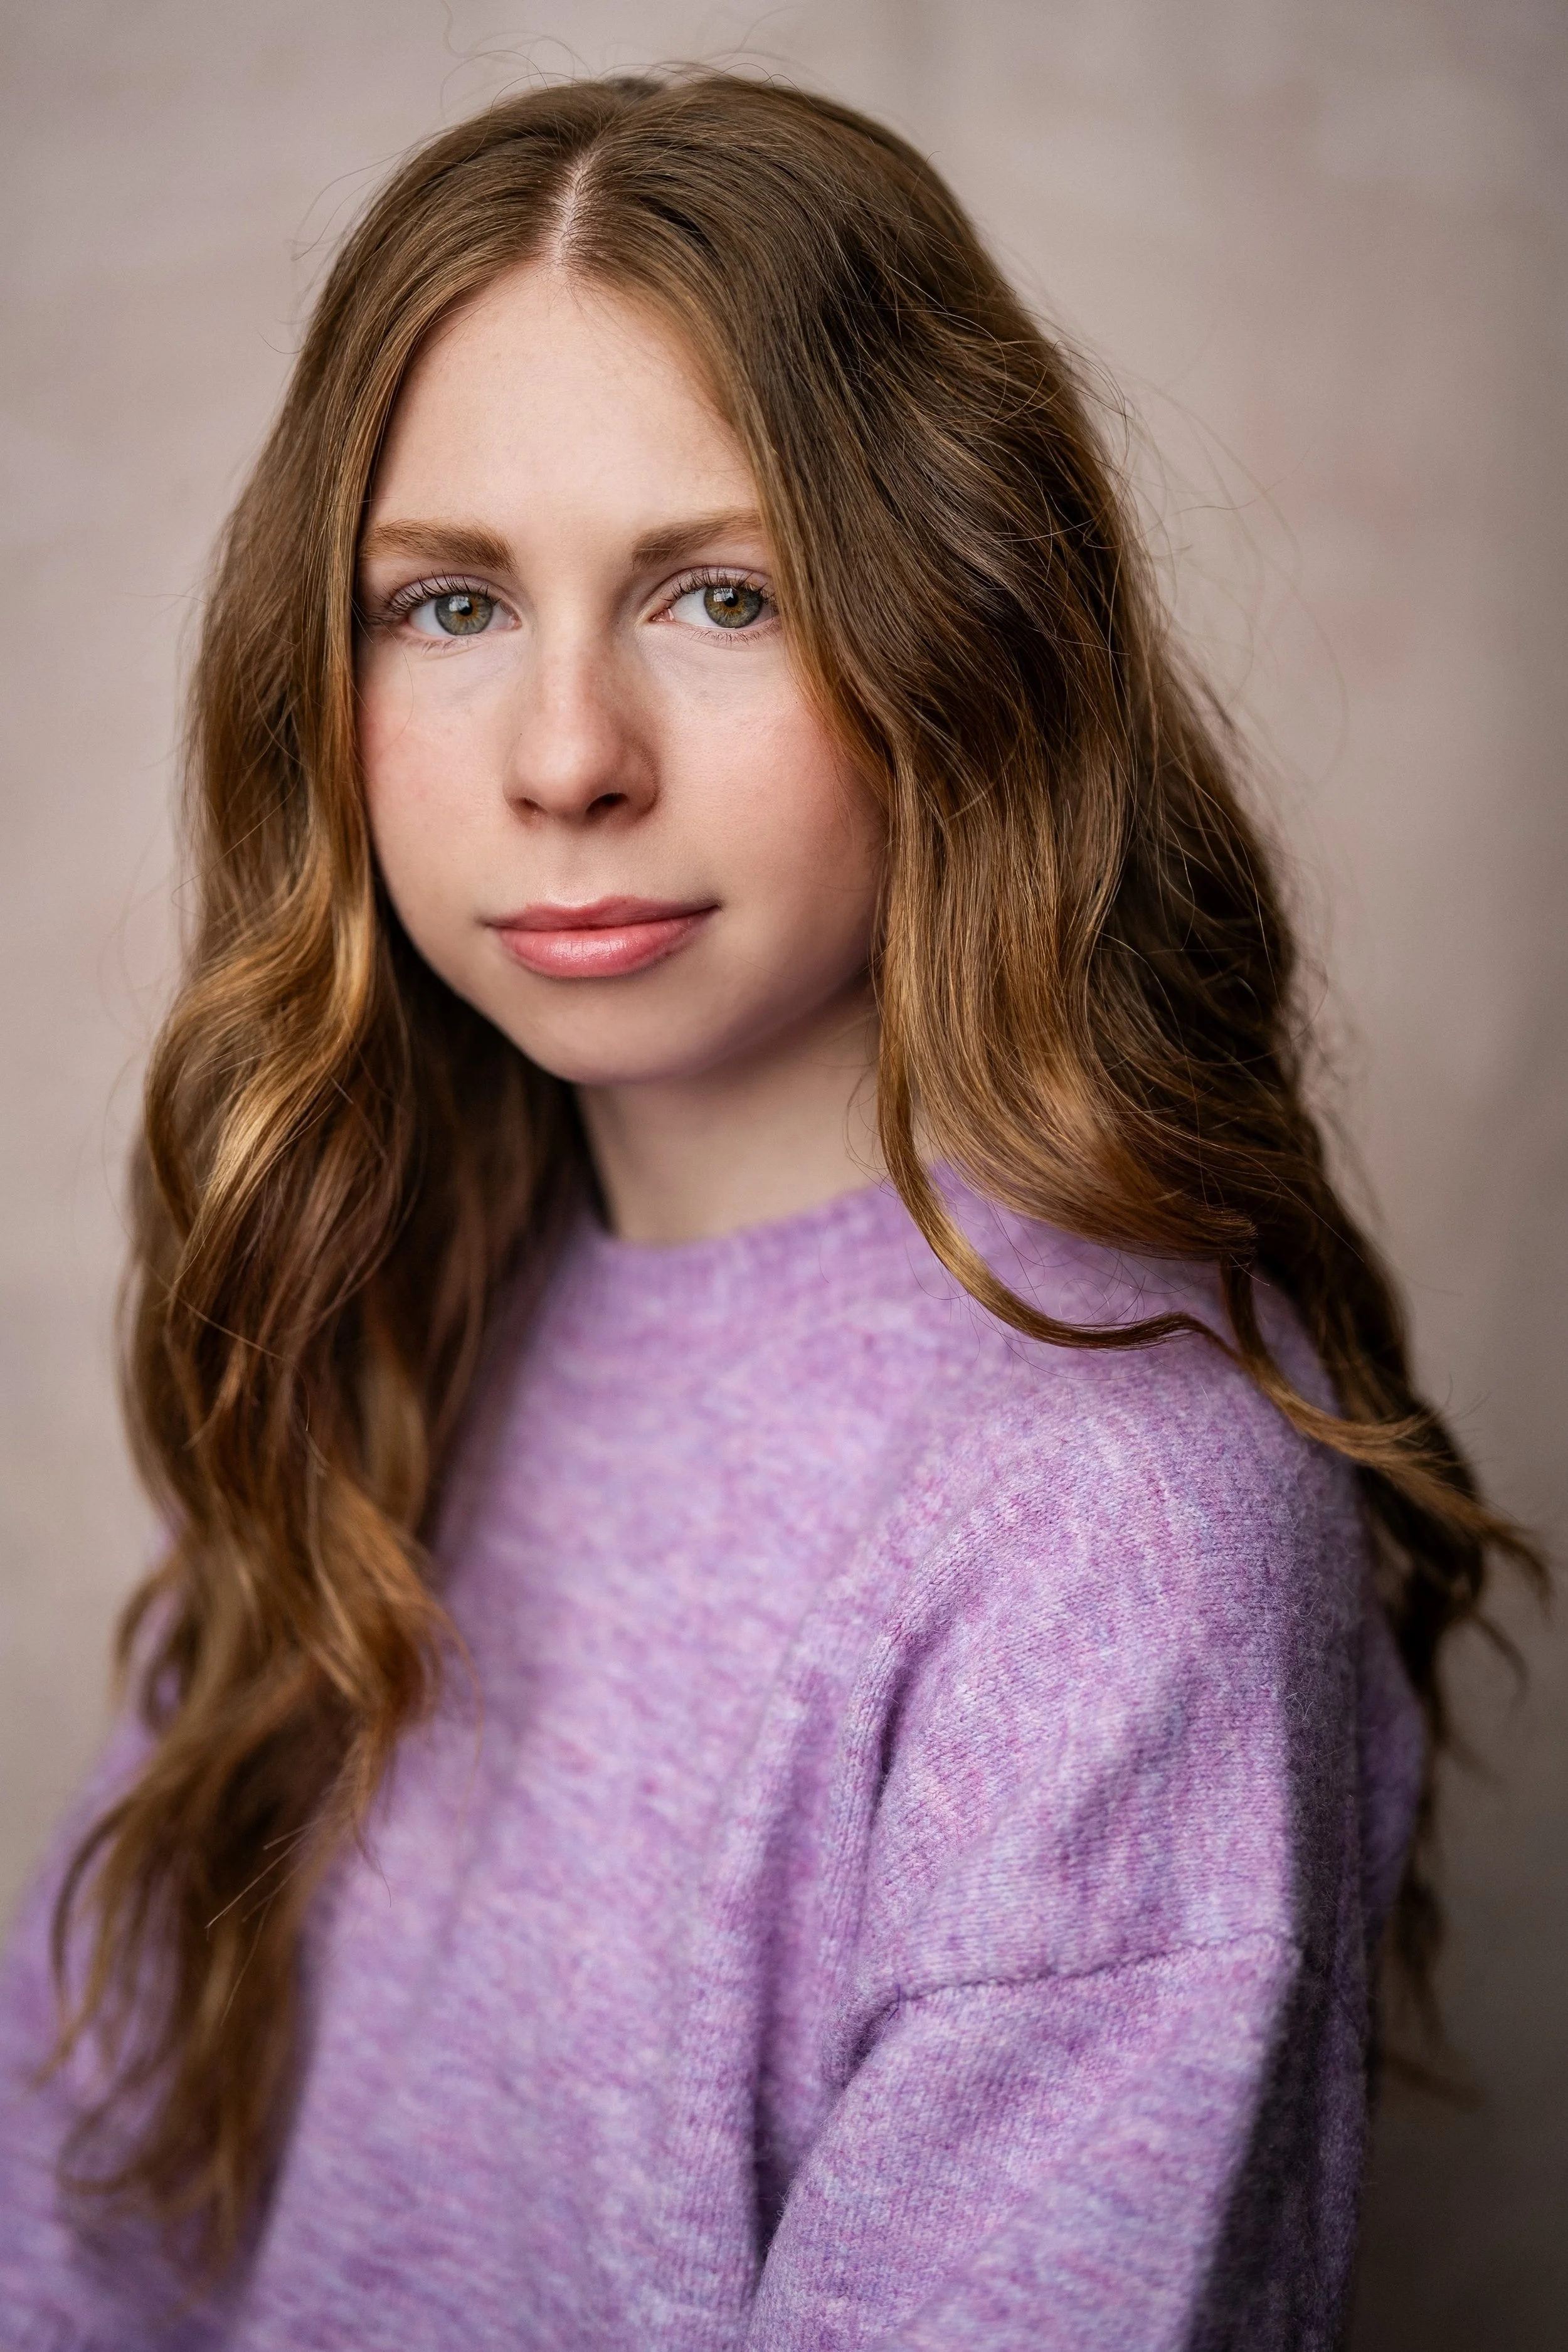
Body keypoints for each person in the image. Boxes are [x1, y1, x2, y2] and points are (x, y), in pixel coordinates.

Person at [0, 68, 1539, 2351]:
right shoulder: (400, 1286)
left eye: (719, 593)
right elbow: (77, 2217)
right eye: (445, 605)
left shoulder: (1105, 1504)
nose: (564, 752)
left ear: (962, 634)